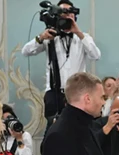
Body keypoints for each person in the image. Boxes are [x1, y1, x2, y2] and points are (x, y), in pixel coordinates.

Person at [20, 0, 101, 132]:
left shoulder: (83, 37)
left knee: (79, 130)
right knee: (54, 131)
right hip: (54, 93)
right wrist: (41, 37)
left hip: (78, 93)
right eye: (63, 12)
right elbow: (26, 51)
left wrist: (78, 33)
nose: (67, 15)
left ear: (75, 16)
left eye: (70, 12)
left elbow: (95, 55)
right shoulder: (50, 37)